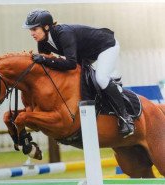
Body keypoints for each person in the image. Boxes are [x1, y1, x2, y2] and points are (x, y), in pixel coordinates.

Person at [23, 9, 134, 138]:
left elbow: (70, 64)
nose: (31, 33)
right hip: (86, 53)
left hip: (106, 46)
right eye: (30, 30)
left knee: (101, 79)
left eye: (34, 29)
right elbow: (47, 67)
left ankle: (125, 118)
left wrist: (45, 60)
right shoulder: (43, 42)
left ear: (46, 27)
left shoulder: (63, 33)